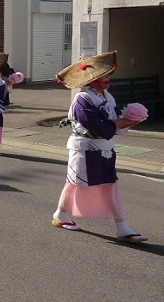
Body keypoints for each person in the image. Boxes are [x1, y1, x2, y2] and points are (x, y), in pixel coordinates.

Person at [52, 51, 147, 242]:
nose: (107, 79)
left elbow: (110, 123)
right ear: (92, 79)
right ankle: (61, 214)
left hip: (104, 147)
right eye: (103, 76)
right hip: (85, 147)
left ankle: (121, 225)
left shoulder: (107, 97)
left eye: (108, 75)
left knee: (110, 183)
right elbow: (98, 127)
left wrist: (129, 121)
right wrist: (121, 123)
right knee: (75, 184)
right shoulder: (82, 100)